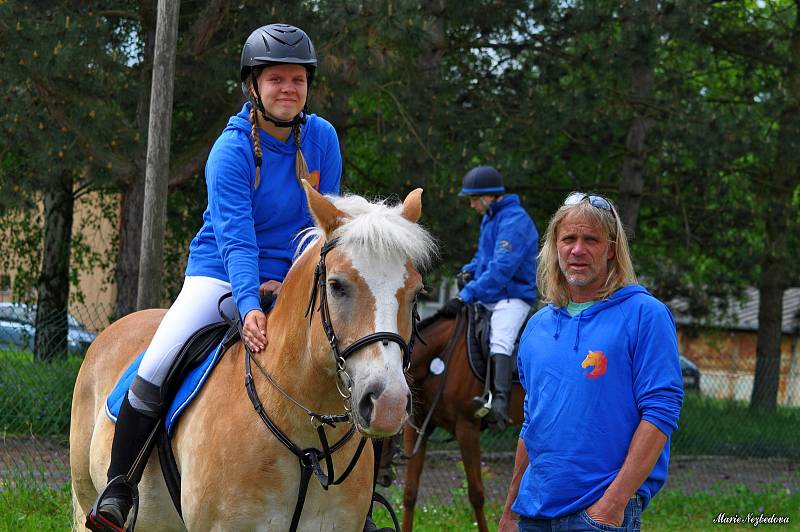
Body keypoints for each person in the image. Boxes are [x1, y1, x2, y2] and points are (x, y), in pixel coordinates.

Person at [89, 23, 342, 529]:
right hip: (221, 275)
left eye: (297, 80)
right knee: (158, 361)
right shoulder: (229, 152)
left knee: (355, 359)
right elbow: (236, 238)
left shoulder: (323, 138)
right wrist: (249, 304)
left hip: (297, 274)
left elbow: (325, 224)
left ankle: (355, 497)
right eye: (276, 80)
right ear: (253, 86)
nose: (288, 89)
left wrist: (293, 282)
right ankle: (118, 488)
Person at [498, 192, 684, 532]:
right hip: (533, 513)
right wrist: (511, 510)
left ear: (611, 249)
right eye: (568, 238)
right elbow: (532, 423)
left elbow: (661, 412)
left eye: (591, 240)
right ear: (555, 246)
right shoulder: (538, 326)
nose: (577, 250)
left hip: (598, 515)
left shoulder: (645, 315)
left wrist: (612, 504)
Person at [441, 165, 538, 430]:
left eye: (474, 199)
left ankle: (499, 406)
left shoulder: (515, 222)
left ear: (488, 196)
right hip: (492, 293)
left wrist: (466, 295)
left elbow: (500, 270)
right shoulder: (491, 218)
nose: (472, 205)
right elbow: (483, 259)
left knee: (501, 340)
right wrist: (467, 270)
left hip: (513, 296)